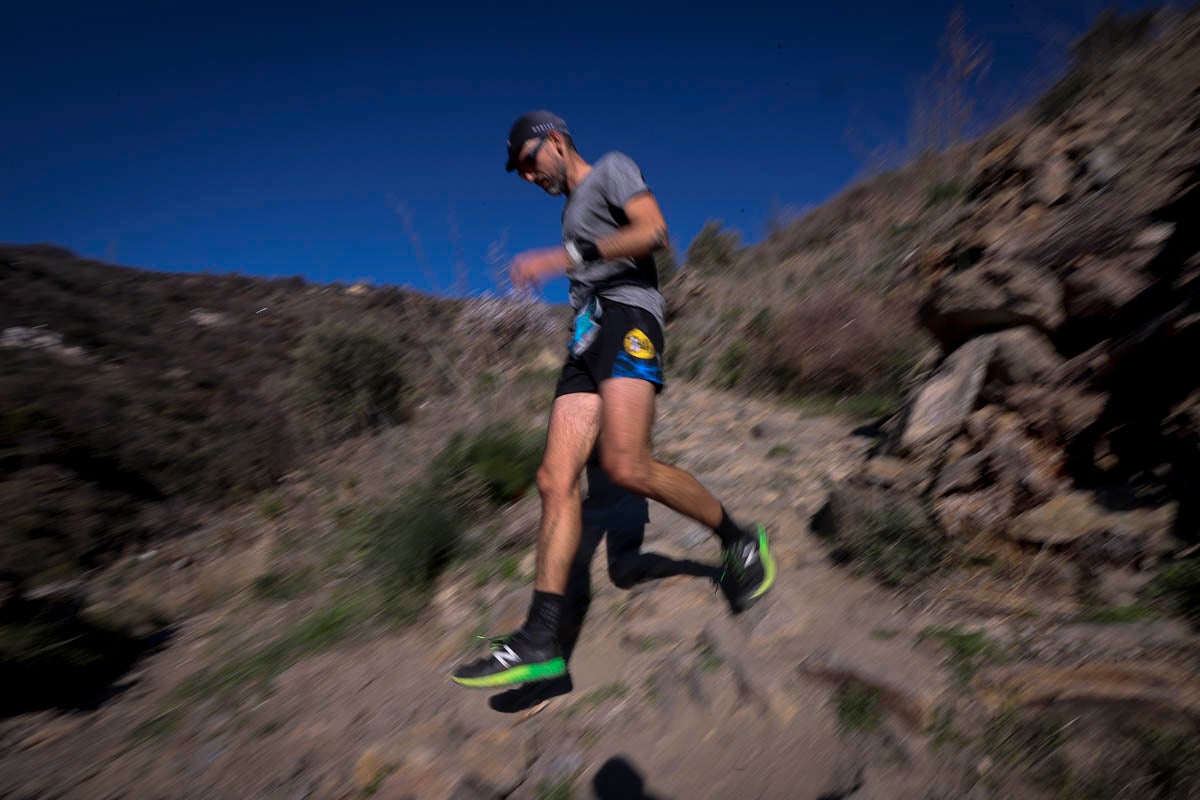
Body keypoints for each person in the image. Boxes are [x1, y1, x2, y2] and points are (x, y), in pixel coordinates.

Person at [451, 111, 775, 689]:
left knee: (627, 466)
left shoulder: (612, 169)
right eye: (519, 173)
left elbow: (653, 231)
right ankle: (542, 637)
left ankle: (738, 540)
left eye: (527, 162)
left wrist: (564, 257)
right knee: (554, 479)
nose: (527, 177)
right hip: (586, 334)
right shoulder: (568, 209)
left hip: (630, 317)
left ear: (554, 140)